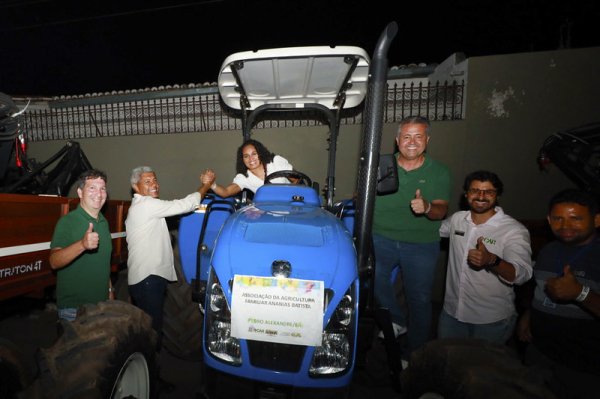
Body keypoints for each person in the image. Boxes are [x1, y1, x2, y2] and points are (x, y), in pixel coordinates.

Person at [372, 116, 451, 355]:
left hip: (420, 243)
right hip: (381, 236)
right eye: (406, 136)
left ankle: (415, 355)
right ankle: (396, 320)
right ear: (398, 141)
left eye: (418, 136)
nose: (412, 142)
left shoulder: (439, 170)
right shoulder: (381, 165)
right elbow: (361, 196)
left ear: (427, 140)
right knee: (372, 275)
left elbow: (440, 211)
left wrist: (426, 207)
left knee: (419, 300)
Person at [517, 189, 600, 399]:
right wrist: (528, 316)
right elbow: (540, 289)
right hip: (540, 351)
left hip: (584, 364)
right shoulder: (550, 249)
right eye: (558, 218)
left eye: (576, 218)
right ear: (548, 220)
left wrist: (580, 293)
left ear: (597, 220)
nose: (565, 226)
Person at [438, 171, 532, 344]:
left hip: (490, 321)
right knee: (447, 366)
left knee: (483, 370)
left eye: (488, 192)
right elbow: (428, 232)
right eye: (475, 190)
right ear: (466, 193)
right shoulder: (457, 220)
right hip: (451, 314)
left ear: (498, 195)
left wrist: (492, 260)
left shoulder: (513, 230)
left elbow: (521, 275)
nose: (481, 196)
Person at [125, 166, 214, 348]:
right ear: (136, 187)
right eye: (147, 181)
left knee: (149, 327)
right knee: (152, 331)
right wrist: (206, 186)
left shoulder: (144, 207)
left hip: (146, 279)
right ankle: (149, 369)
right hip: (147, 279)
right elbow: (186, 204)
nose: (154, 184)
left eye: (155, 180)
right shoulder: (146, 205)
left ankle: (149, 368)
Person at [50, 169, 113, 321]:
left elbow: (103, 263)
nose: (99, 193)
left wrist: (110, 290)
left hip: (102, 306)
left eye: (102, 188)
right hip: (75, 311)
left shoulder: (104, 223)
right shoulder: (67, 222)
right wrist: (82, 245)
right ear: (80, 192)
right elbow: (54, 261)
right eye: (92, 187)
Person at [204, 139, 294, 197]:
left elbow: (298, 180)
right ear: (242, 159)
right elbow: (226, 192)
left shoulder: (275, 162)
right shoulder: (244, 178)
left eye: (254, 154)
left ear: (260, 153)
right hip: (268, 214)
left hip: (291, 207)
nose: (251, 159)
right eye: (246, 156)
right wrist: (212, 184)